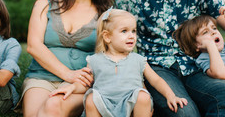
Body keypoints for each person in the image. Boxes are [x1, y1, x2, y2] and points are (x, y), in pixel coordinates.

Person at [18, 0, 113, 117]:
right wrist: (68, 74)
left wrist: (81, 79)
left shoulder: (105, 14)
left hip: (83, 83)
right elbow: (33, 46)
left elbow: (109, 55)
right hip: (41, 78)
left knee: (53, 106)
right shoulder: (44, 3)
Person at [51, 8, 188, 117]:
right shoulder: (95, 60)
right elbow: (85, 84)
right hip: (104, 105)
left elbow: (156, 80)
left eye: (133, 31)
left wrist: (171, 96)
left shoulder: (138, 60)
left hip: (132, 106)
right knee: (91, 98)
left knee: (142, 96)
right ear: (107, 36)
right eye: (124, 31)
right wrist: (72, 88)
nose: (131, 36)